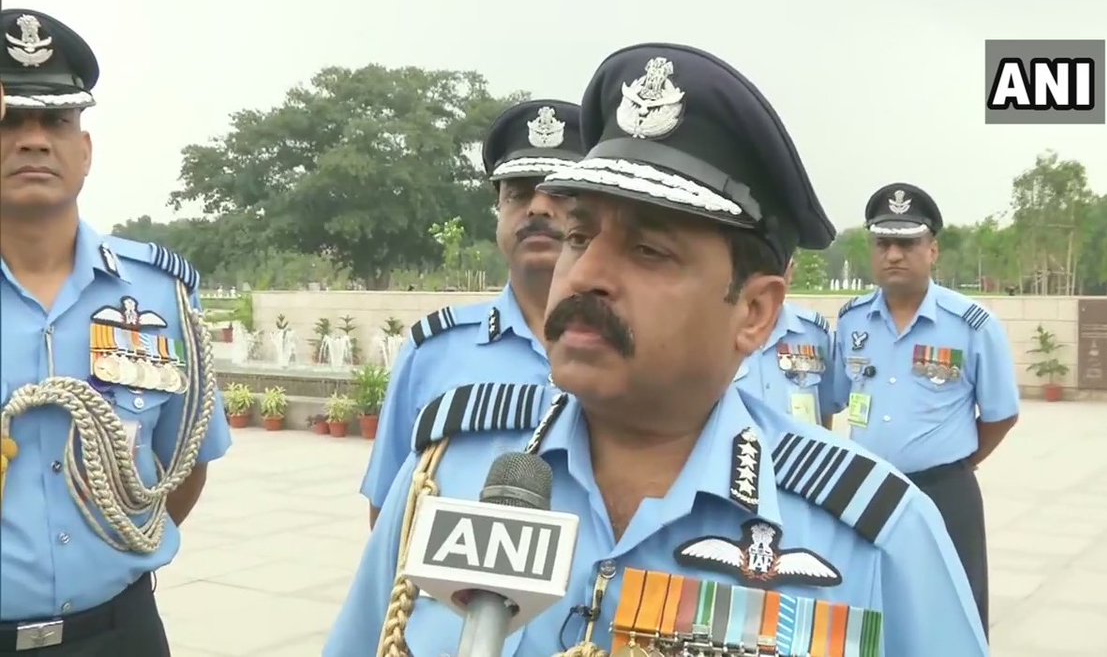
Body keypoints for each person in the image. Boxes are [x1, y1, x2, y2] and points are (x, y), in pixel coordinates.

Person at [325, 43, 988, 657]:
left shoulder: (875, 537)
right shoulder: (450, 470)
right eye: (579, 236)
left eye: (648, 250)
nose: (583, 275)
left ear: (754, 311)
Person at [0, 8, 231, 656]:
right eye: (10, 120)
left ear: (85, 150)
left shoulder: (159, 294)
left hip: (118, 633)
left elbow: (181, 466)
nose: (34, 139)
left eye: (56, 120)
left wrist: (117, 543)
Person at [359, 99, 584, 528]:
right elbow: (389, 514)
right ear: (499, 213)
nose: (537, 208)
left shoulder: (635, 349)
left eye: (560, 191)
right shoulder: (434, 351)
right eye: (517, 193)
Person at [830, 182, 1021, 636]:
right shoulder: (853, 319)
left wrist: (957, 461)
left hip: (944, 492)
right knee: (870, 606)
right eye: (883, 243)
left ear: (932, 251)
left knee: (954, 608)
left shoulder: (972, 325)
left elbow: (1001, 413)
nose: (893, 254)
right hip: (867, 488)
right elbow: (835, 396)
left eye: (907, 242)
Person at [735, 258, 839, 429]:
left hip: (800, 453)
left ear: (791, 271)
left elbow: (826, 409)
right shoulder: (720, 331)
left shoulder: (814, 332)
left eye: (778, 268)